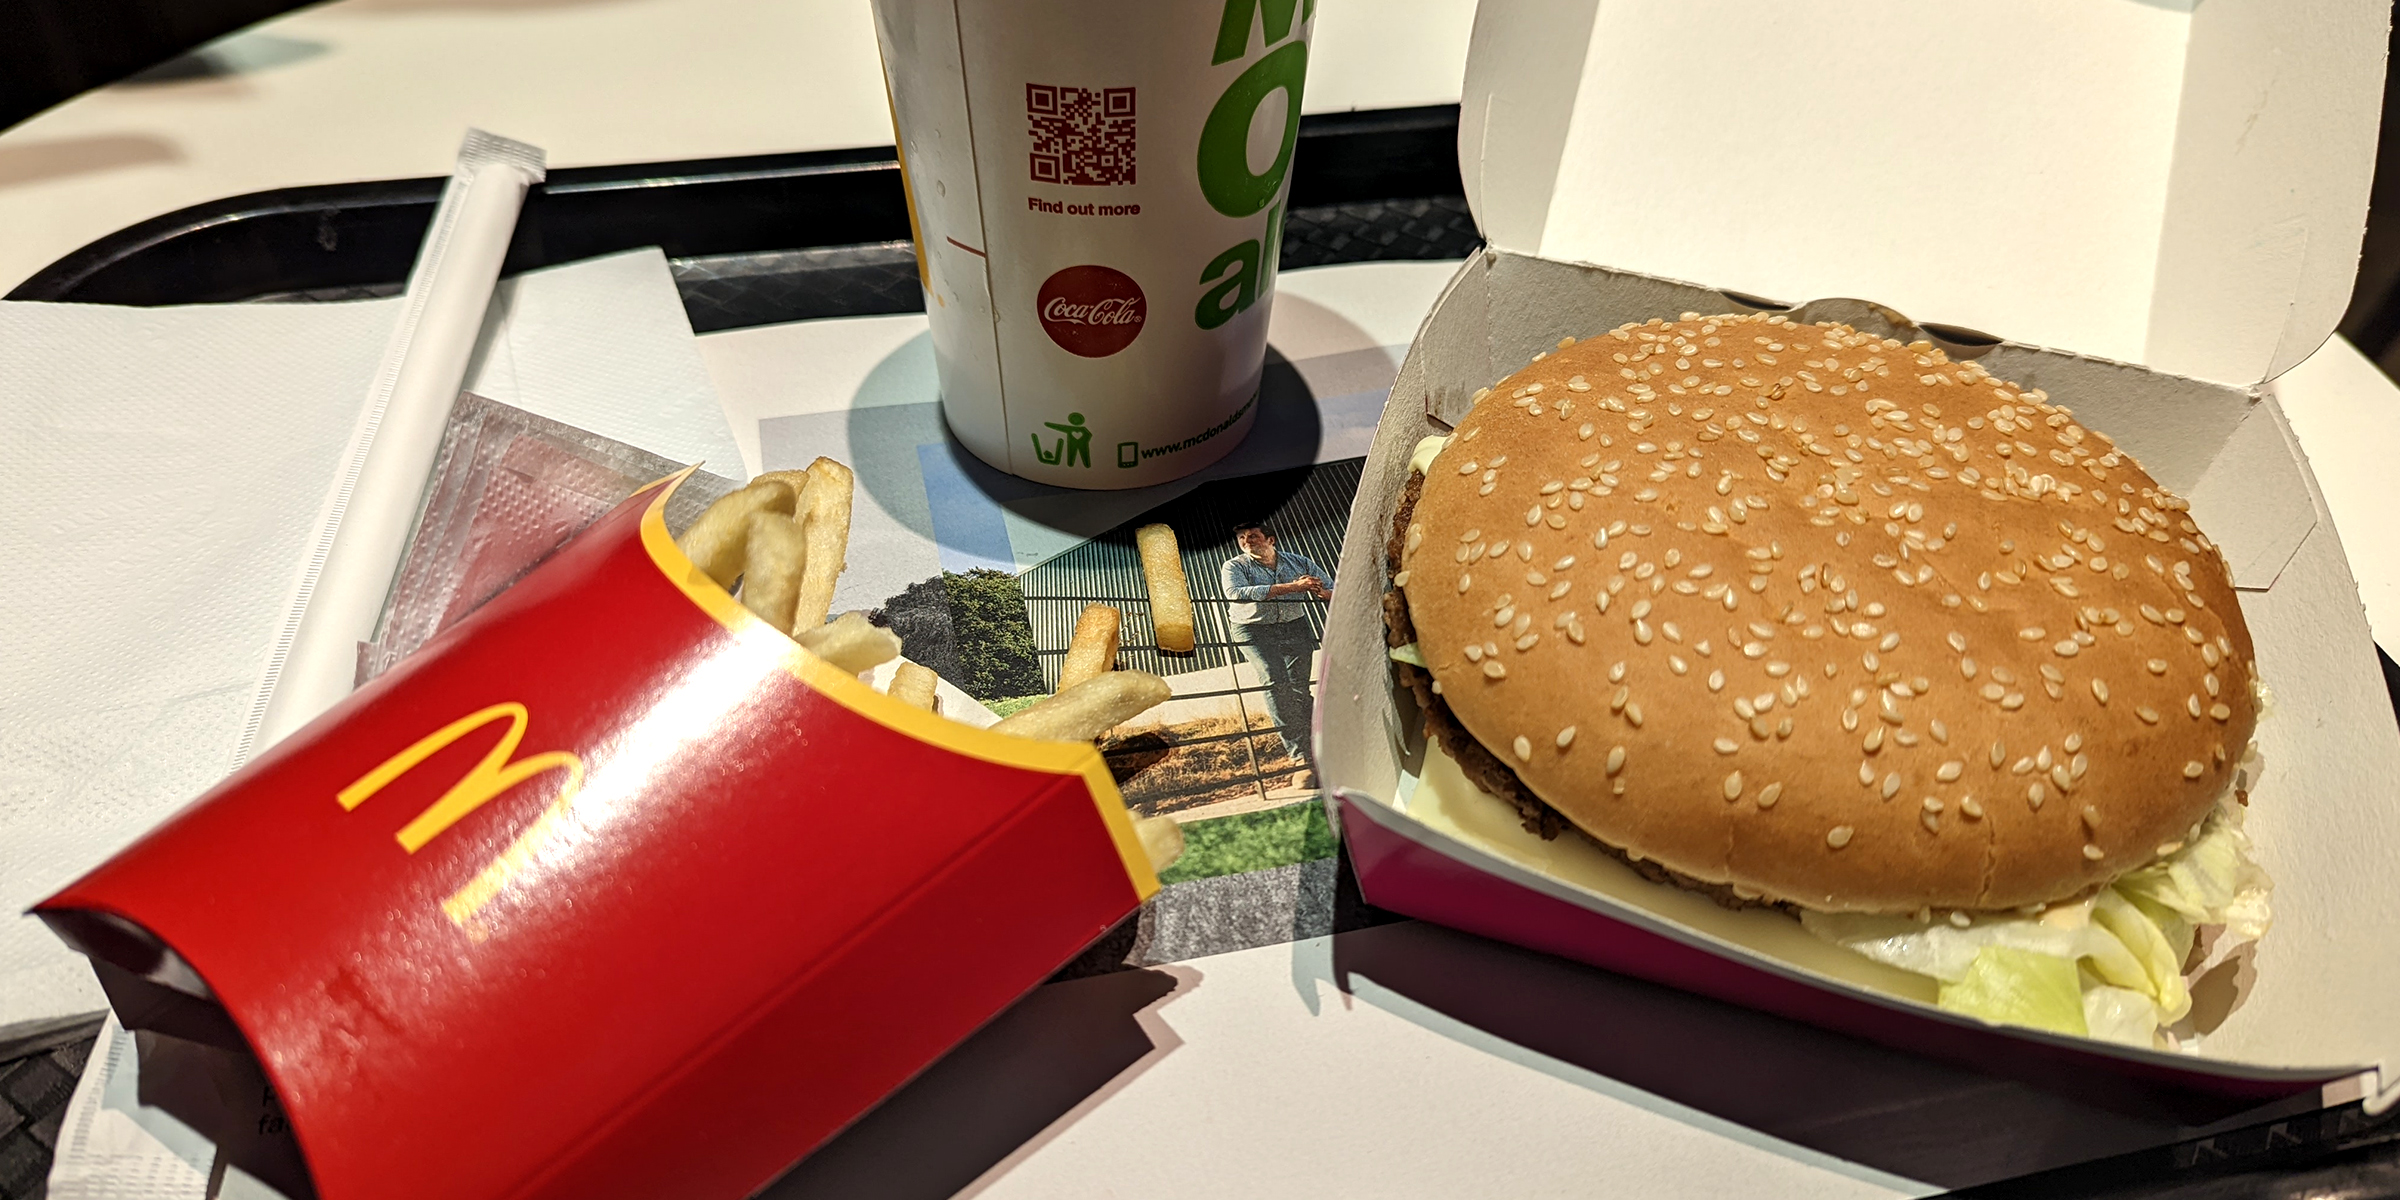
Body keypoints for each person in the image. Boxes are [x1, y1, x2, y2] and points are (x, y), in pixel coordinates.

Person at [1220, 519, 1332, 791]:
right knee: (1274, 680)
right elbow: (1236, 593)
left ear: (1271, 540)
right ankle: (1300, 759)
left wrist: (1320, 591)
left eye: (1254, 536)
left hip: (1293, 625)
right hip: (1252, 629)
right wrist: (1293, 588)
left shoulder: (1298, 562)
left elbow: (1331, 586)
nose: (1247, 541)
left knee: (1299, 689)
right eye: (1242, 538)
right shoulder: (1234, 566)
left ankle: (1320, 752)